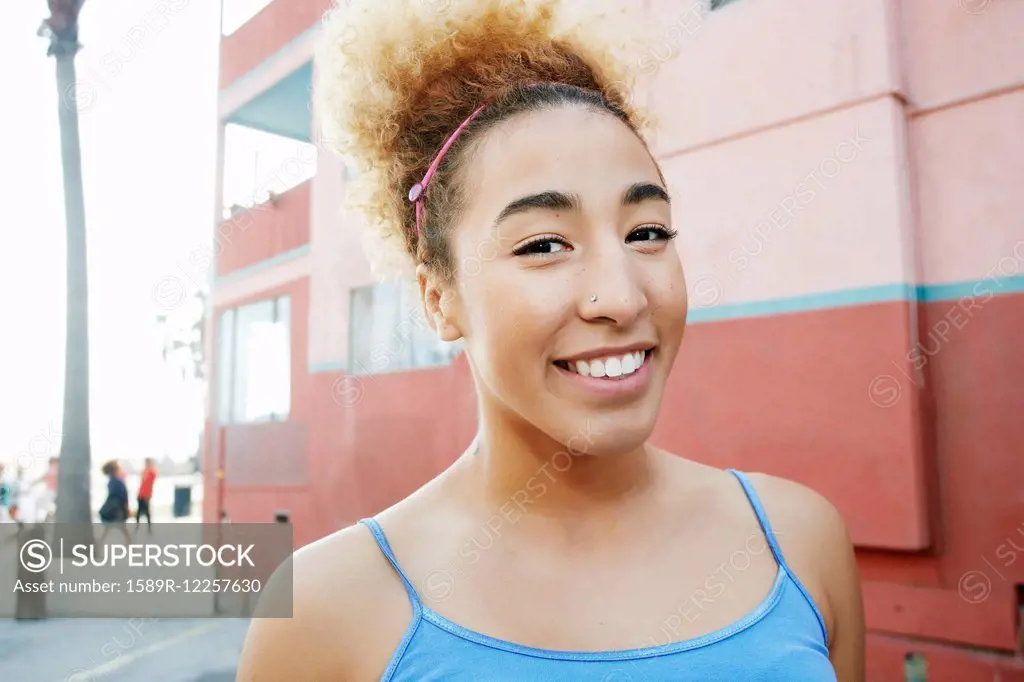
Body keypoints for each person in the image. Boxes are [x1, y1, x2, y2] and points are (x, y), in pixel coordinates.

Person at [238, 2, 865, 680]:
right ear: (437, 298)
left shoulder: (799, 544)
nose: (621, 297)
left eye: (647, 231)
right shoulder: (326, 611)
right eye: (544, 244)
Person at [98, 460, 131, 545]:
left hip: (112, 508)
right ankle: (130, 545)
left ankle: (98, 545)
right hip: (117, 509)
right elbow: (123, 497)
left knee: (109, 529)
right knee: (122, 528)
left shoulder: (111, 481)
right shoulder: (118, 482)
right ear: (115, 470)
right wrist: (127, 509)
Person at [135, 457, 157, 535]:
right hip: (141, 494)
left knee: (147, 512)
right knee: (139, 511)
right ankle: (137, 526)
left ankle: (149, 528)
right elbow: (142, 483)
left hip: (146, 494)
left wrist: (149, 494)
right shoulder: (144, 471)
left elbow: (151, 483)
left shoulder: (152, 471)